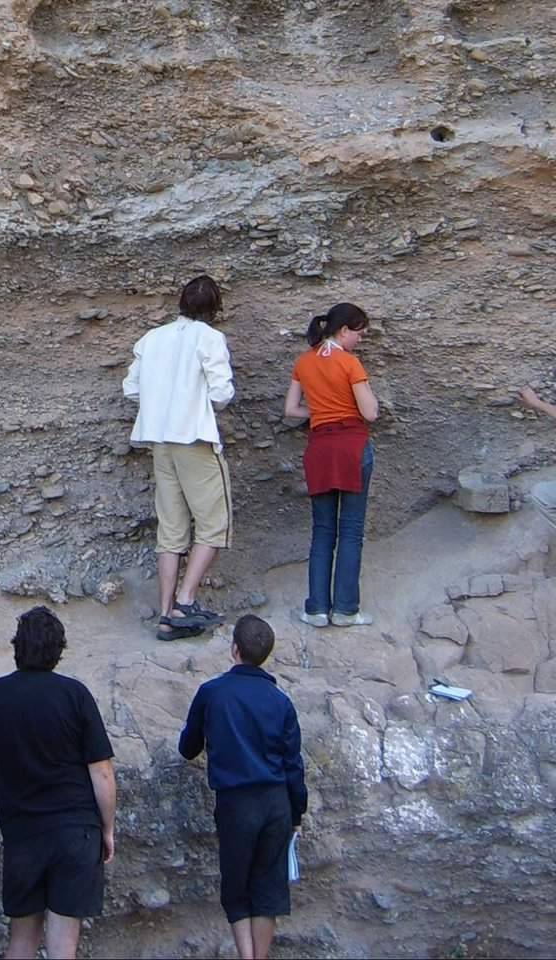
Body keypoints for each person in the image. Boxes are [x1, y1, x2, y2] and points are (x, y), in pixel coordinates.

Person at [0, 606, 115, 960]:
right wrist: (107, 828)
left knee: (21, 941)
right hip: (76, 832)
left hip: (24, 835)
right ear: (59, 649)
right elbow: (102, 772)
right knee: (64, 948)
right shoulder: (76, 695)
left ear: (17, 647)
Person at [179, 614, 307, 960]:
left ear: (234, 649)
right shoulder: (281, 701)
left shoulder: (212, 693)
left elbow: (188, 747)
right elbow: (293, 764)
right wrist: (297, 811)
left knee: (236, 888)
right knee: (268, 888)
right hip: (277, 801)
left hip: (236, 802)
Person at [123, 274, 235, 641]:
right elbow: (221, 394)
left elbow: (131, 389)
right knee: (214, 524)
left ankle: (167, 614)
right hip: (194, 439)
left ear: (181, 303)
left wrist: (162, 402)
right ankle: (185, 601)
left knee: (171, 529)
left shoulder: (151, 339)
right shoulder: (210, 338)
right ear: (215, 308)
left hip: (160, 440)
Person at [283, 303, 379, 628]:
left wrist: (320, 414)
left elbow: (291, 409)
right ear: (344, 331)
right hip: (351, 447)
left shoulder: (303, 362)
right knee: (351, 530)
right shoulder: (349, 363)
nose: (360, 340)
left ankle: (316, 609)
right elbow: (370, 413)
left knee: (322, 531)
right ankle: (346, 610)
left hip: (320, 448)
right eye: (359, 334)